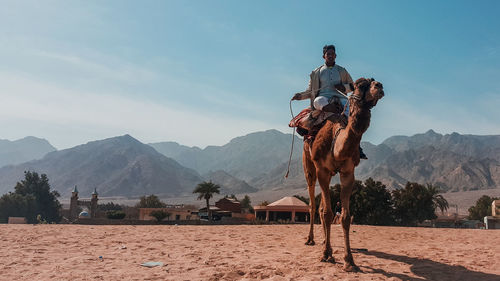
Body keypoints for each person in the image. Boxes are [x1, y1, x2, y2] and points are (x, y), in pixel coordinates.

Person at [292, 44, 367, 159]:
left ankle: (357, 146)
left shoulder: (342, 71)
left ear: (335, 55)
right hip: (324, 99)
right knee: (317, 101)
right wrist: (300, 96)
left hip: (341, 98)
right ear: (324, 56)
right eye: (328, 54)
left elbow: (353, 86)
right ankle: (332, 110)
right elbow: (310, 91)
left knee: (350, 117)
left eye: (332, 54)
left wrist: (343, 87)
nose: (331, 56)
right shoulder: (316, 72)